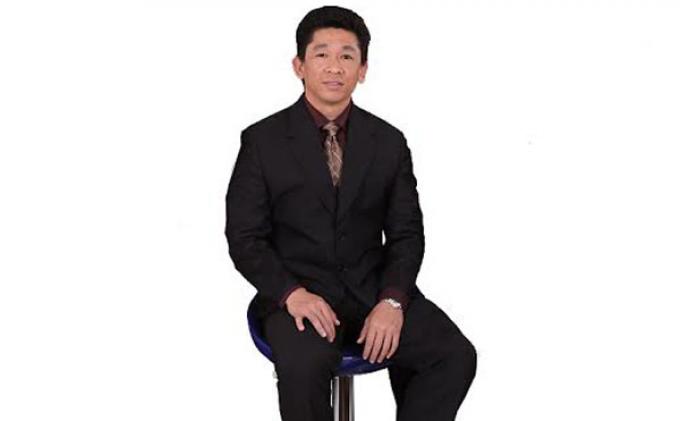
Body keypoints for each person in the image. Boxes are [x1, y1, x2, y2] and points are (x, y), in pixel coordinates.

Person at [225, 5, 476, 421]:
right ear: (299, 66)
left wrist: (393, 301)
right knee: (304, 368)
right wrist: (291, 294)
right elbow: (244, 237)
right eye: (321, 54)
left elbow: (406, 234)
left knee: (453, 356)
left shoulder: (389, 142)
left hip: (372, 289)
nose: (334, 67)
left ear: (362, 70)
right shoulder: (262, 141)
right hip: (297, 296)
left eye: (347, 55)